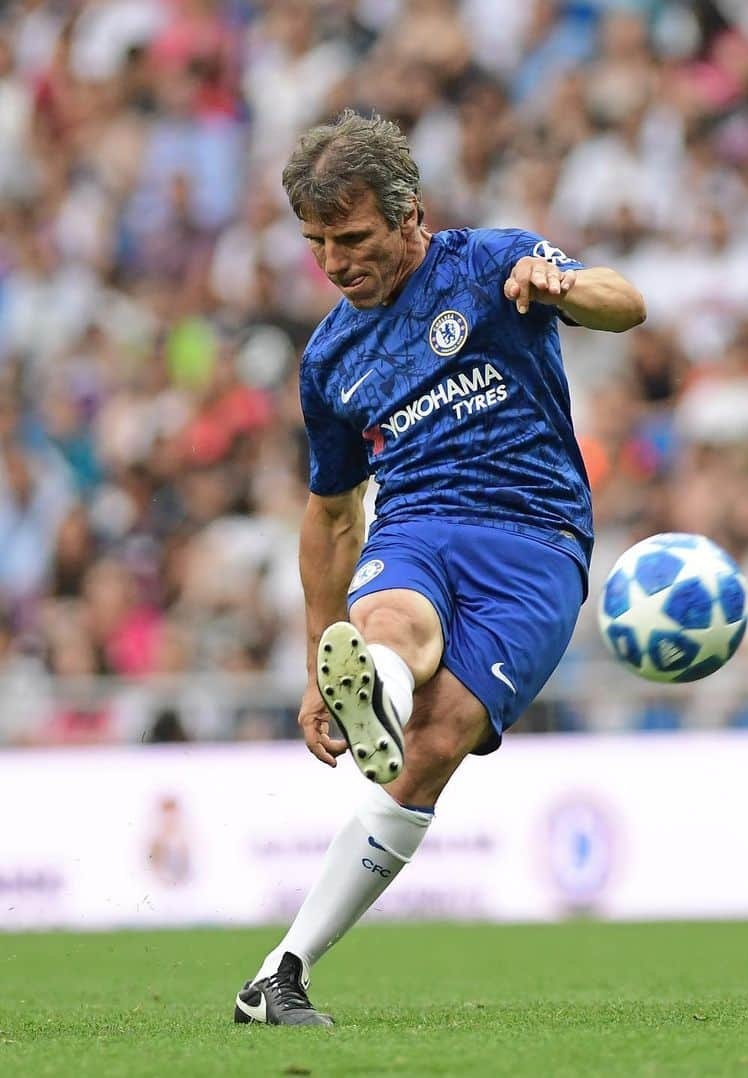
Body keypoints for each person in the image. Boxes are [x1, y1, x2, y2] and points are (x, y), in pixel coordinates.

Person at [233, 111, 645, 1026]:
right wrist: (315, 663)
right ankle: (365, 681)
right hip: (420, 522)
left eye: (352, 238)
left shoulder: (493, 263)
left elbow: (626, 302)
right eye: (316, 244)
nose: (335, 264)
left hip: (538, 542)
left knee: (436, 744)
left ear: (408, 213)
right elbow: (334, 514)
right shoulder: (329, 357)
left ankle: (274, 974)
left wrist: (564, 287)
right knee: (391, 626)